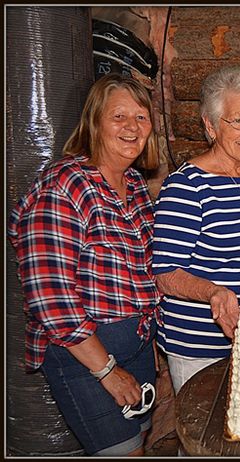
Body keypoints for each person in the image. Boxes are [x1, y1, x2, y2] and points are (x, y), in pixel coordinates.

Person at [8, 74, 162, 456]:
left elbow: (142, 272)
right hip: (87, 355)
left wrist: (150, 339)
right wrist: (106, 371)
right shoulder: (64, 185)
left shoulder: (135, 185)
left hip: (138, 344)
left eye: (141, 118)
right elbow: (50, 297)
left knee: (139, 439)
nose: (132, 127)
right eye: (119, 117)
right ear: (94, 123)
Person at [152, 66, 240, 393]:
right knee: (204, 441)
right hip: (200, 348)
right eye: (238, 121)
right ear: (210, 126)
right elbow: (166, 274)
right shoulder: (186, 187)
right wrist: (214, 292)